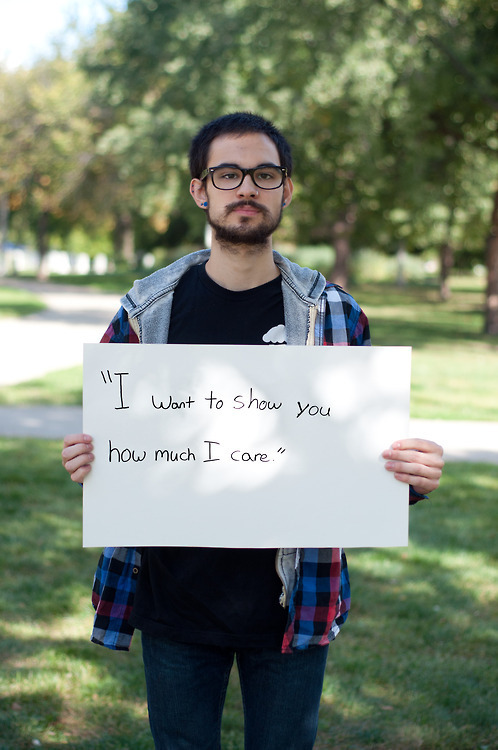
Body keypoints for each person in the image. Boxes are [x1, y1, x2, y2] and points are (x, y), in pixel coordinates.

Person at [62, 112, 444, 750]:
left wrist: (409, 477)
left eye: (265, 174)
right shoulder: (145, 310)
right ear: (200, 189)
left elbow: (357, 462)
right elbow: (112, 443)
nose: (247, 187)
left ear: (286, 189)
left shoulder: (336, 316)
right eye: (228, 173)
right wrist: (88, 459)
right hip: (174, 598)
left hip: (293, 601)